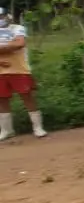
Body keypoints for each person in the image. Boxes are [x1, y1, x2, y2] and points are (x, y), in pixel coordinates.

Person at [0, 8, 47, 140]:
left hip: (19, 69)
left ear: (7, 16)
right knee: (1, 100)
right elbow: (14, 45)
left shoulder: (17, 28)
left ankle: (38, 127)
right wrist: (9, 47)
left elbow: (20, 43)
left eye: (1, 16)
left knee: (27, 97)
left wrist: (4, 48)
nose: (0, 19)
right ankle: (6, 130)